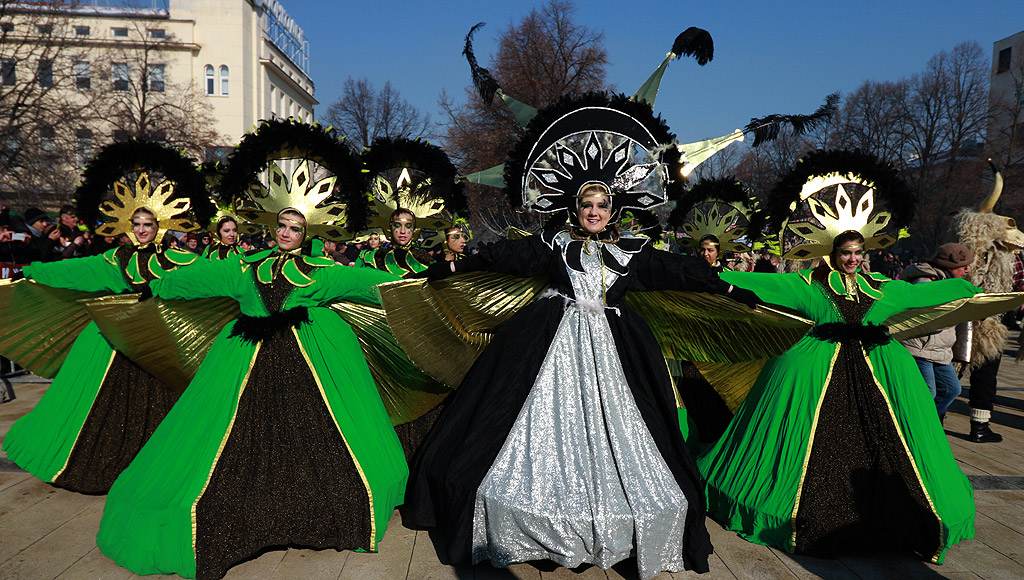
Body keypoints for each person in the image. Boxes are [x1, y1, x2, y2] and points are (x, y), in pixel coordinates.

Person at [97, 202, 408, 580]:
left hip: (303, 370)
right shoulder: (244, 267)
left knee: (311, 440)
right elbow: (199, 279)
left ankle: (304, 509)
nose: (286, 233)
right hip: (243, 363)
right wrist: (157, 285)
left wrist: (428, 287)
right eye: (282, 225)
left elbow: (373, 284)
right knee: (230, 440)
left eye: (295, 228)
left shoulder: (323, 273)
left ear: (306, 234)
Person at [698, 151, 980, 564]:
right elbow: (762, 285)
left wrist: (966, 289)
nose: (852, 259)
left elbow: (925, 293)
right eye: (845, 252)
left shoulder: (883, 288)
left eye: (857, 253)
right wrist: (711, 276)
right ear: (834, 253)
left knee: (897, 436)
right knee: (809, 442)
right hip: (816, 369)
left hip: (880, 370)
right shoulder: (810, 285)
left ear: (864, 254)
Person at [2, 162, 208, 493]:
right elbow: (74, 271)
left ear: (161, 226)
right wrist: (34, 270)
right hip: (113, 342)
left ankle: (156, 468)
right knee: (102, 410)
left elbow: (215, 279)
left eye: (149, 224)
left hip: (157, 347)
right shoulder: (116, 259)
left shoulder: (180, 260)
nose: (142, 230)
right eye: (137, 224)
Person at [900, 243, 973, 420]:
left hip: (939, 350)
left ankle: (927, 423)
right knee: (928, 393)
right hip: (919, 348)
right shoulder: (925, 281)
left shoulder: (952, 282)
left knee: (952, 389)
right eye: (963, 267)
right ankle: (917, 426)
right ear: (950, 266)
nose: (968, 270)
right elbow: (924, 315)